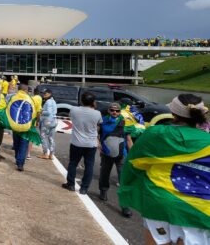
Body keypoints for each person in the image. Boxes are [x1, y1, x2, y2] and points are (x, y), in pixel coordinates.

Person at [119, 94, 210, 244]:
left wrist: (128, 187)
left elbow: (134, 163)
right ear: (202, 114)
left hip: (159, 200)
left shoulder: (156, 133)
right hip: (200, 208)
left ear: (173, 113)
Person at [98, 102, 132, 218]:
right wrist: (99, 145)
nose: (115, 112)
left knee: (123, 178)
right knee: (104, 174)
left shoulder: (124, 122)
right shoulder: (103, 121)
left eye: (117, 111)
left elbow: (128, 139)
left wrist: (132, 154)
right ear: (108, 111)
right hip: (107, 153)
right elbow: (96, 134)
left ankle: (125, 206)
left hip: (121, 154)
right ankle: (103, 191)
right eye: (112, 110)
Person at [62, 91, 100, 194]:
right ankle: (84, 188)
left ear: (81, 101)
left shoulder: (74, 110)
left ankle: (71, 184)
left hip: (77, 142)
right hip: (91, 143)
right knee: (89, 166)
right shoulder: (97, 113)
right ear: (93, 102)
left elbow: (72, 116)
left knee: (73, 163)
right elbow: (98, 124)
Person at [9, 84, 37, 171]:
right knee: (23, 145)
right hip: (26, 126)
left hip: (15, 125)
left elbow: (8, 109)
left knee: (16, 143)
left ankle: (18, 158)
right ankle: (20, 163)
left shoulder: (13, 97)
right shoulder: (30, 99)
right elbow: (34, 112)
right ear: (25, 90)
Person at [37, 89, 57, 160]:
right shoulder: (54, 101)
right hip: (54, 121)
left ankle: (45, 153)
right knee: (51, 138)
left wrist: (41, 111)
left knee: (43, 137)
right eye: (43, 93)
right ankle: (51, 154)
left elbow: (48, 112)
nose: (44, 94)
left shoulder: (48, 102)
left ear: (50, 93)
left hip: (47, 121)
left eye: (45, 93)